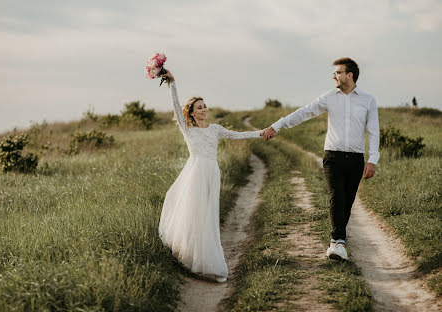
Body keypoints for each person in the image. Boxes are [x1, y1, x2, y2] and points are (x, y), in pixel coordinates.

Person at [261, 57, 380, 261]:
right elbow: (304, 113)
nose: (333, 75)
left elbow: (374, 132)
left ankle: (338, 242)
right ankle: (338, 242)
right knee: (337, 196)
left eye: (338, 72)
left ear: (349, 75)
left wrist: (372, 160)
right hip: (333, 157)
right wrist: (277, 126)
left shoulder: (368, 100)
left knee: (347, 202)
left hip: (356, 160)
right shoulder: (329, 97)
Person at [158, 69, 262, 282]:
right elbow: (176, 107)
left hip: (212, 173)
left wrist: (261, 132)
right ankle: (191, 258)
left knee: (208, 216)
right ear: (192, 112)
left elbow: (238, 135)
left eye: (205, 106)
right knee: (194, 214)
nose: (204, 109)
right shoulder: (188, 130)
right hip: (195, 174)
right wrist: (172, 83)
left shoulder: (215, 129)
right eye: (199, 107)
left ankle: (207, 259)